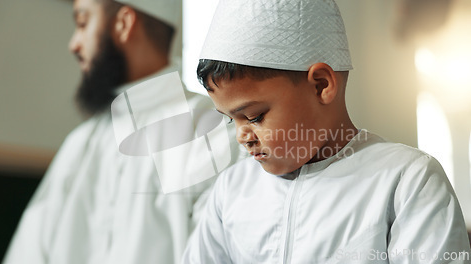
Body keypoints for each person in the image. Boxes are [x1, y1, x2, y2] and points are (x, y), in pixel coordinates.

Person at [182, 0, 471, 263]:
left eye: (255, 116)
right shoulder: (232, 190)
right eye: (232, 120)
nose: (242, 137)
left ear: (321, 85)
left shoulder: (406, 181)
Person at [3, 0, 240, 263]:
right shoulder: (80, 144)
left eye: (83, 23)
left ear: (123, 24)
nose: (74, 44)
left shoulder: (213, 130)